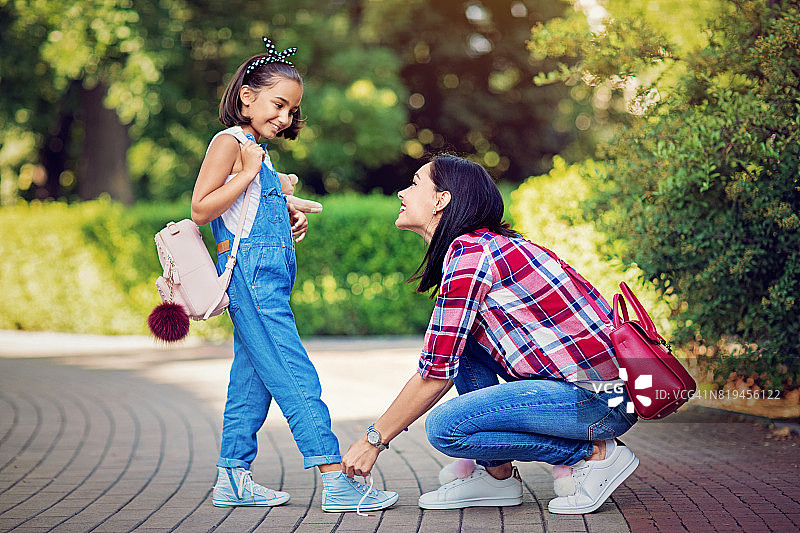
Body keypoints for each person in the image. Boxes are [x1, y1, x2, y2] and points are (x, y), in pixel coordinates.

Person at [341, 154, 639, 515]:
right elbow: (446, 357)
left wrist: (374, 440)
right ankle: (496, 476)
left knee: (445, 427)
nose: (402, 192)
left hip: (600, 403)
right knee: (463, 347)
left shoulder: (472, 254)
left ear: (441, 200)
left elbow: (432, 377)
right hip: (597, 395)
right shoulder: (484, 247)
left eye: (415, 183)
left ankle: (597, 453)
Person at [190, 37, 398, 513]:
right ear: (247, 96)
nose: (284, 118)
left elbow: (252, 209)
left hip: (268, 276)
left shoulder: (257, 149)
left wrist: (287, 212)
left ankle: (233, 477)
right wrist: (246, 176)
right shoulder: (230, 143)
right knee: (292, 371)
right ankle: (334, 476)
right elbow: (202, 208)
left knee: (252, 377)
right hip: (251, 277)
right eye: (278, 104)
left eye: (291, 110)